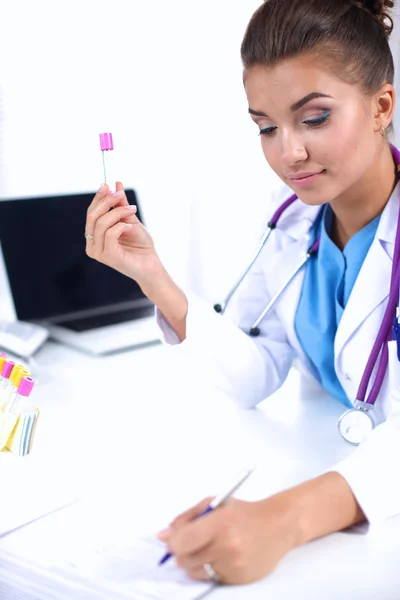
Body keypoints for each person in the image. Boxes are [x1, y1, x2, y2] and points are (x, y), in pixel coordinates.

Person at [85, 0, 400, 586]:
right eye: (266, 126)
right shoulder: (291, 226)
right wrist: (152, 275)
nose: (288, 153)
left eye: (315, 118)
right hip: (324, 466)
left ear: (382, 106)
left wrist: (281, 522)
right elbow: (256, 374)